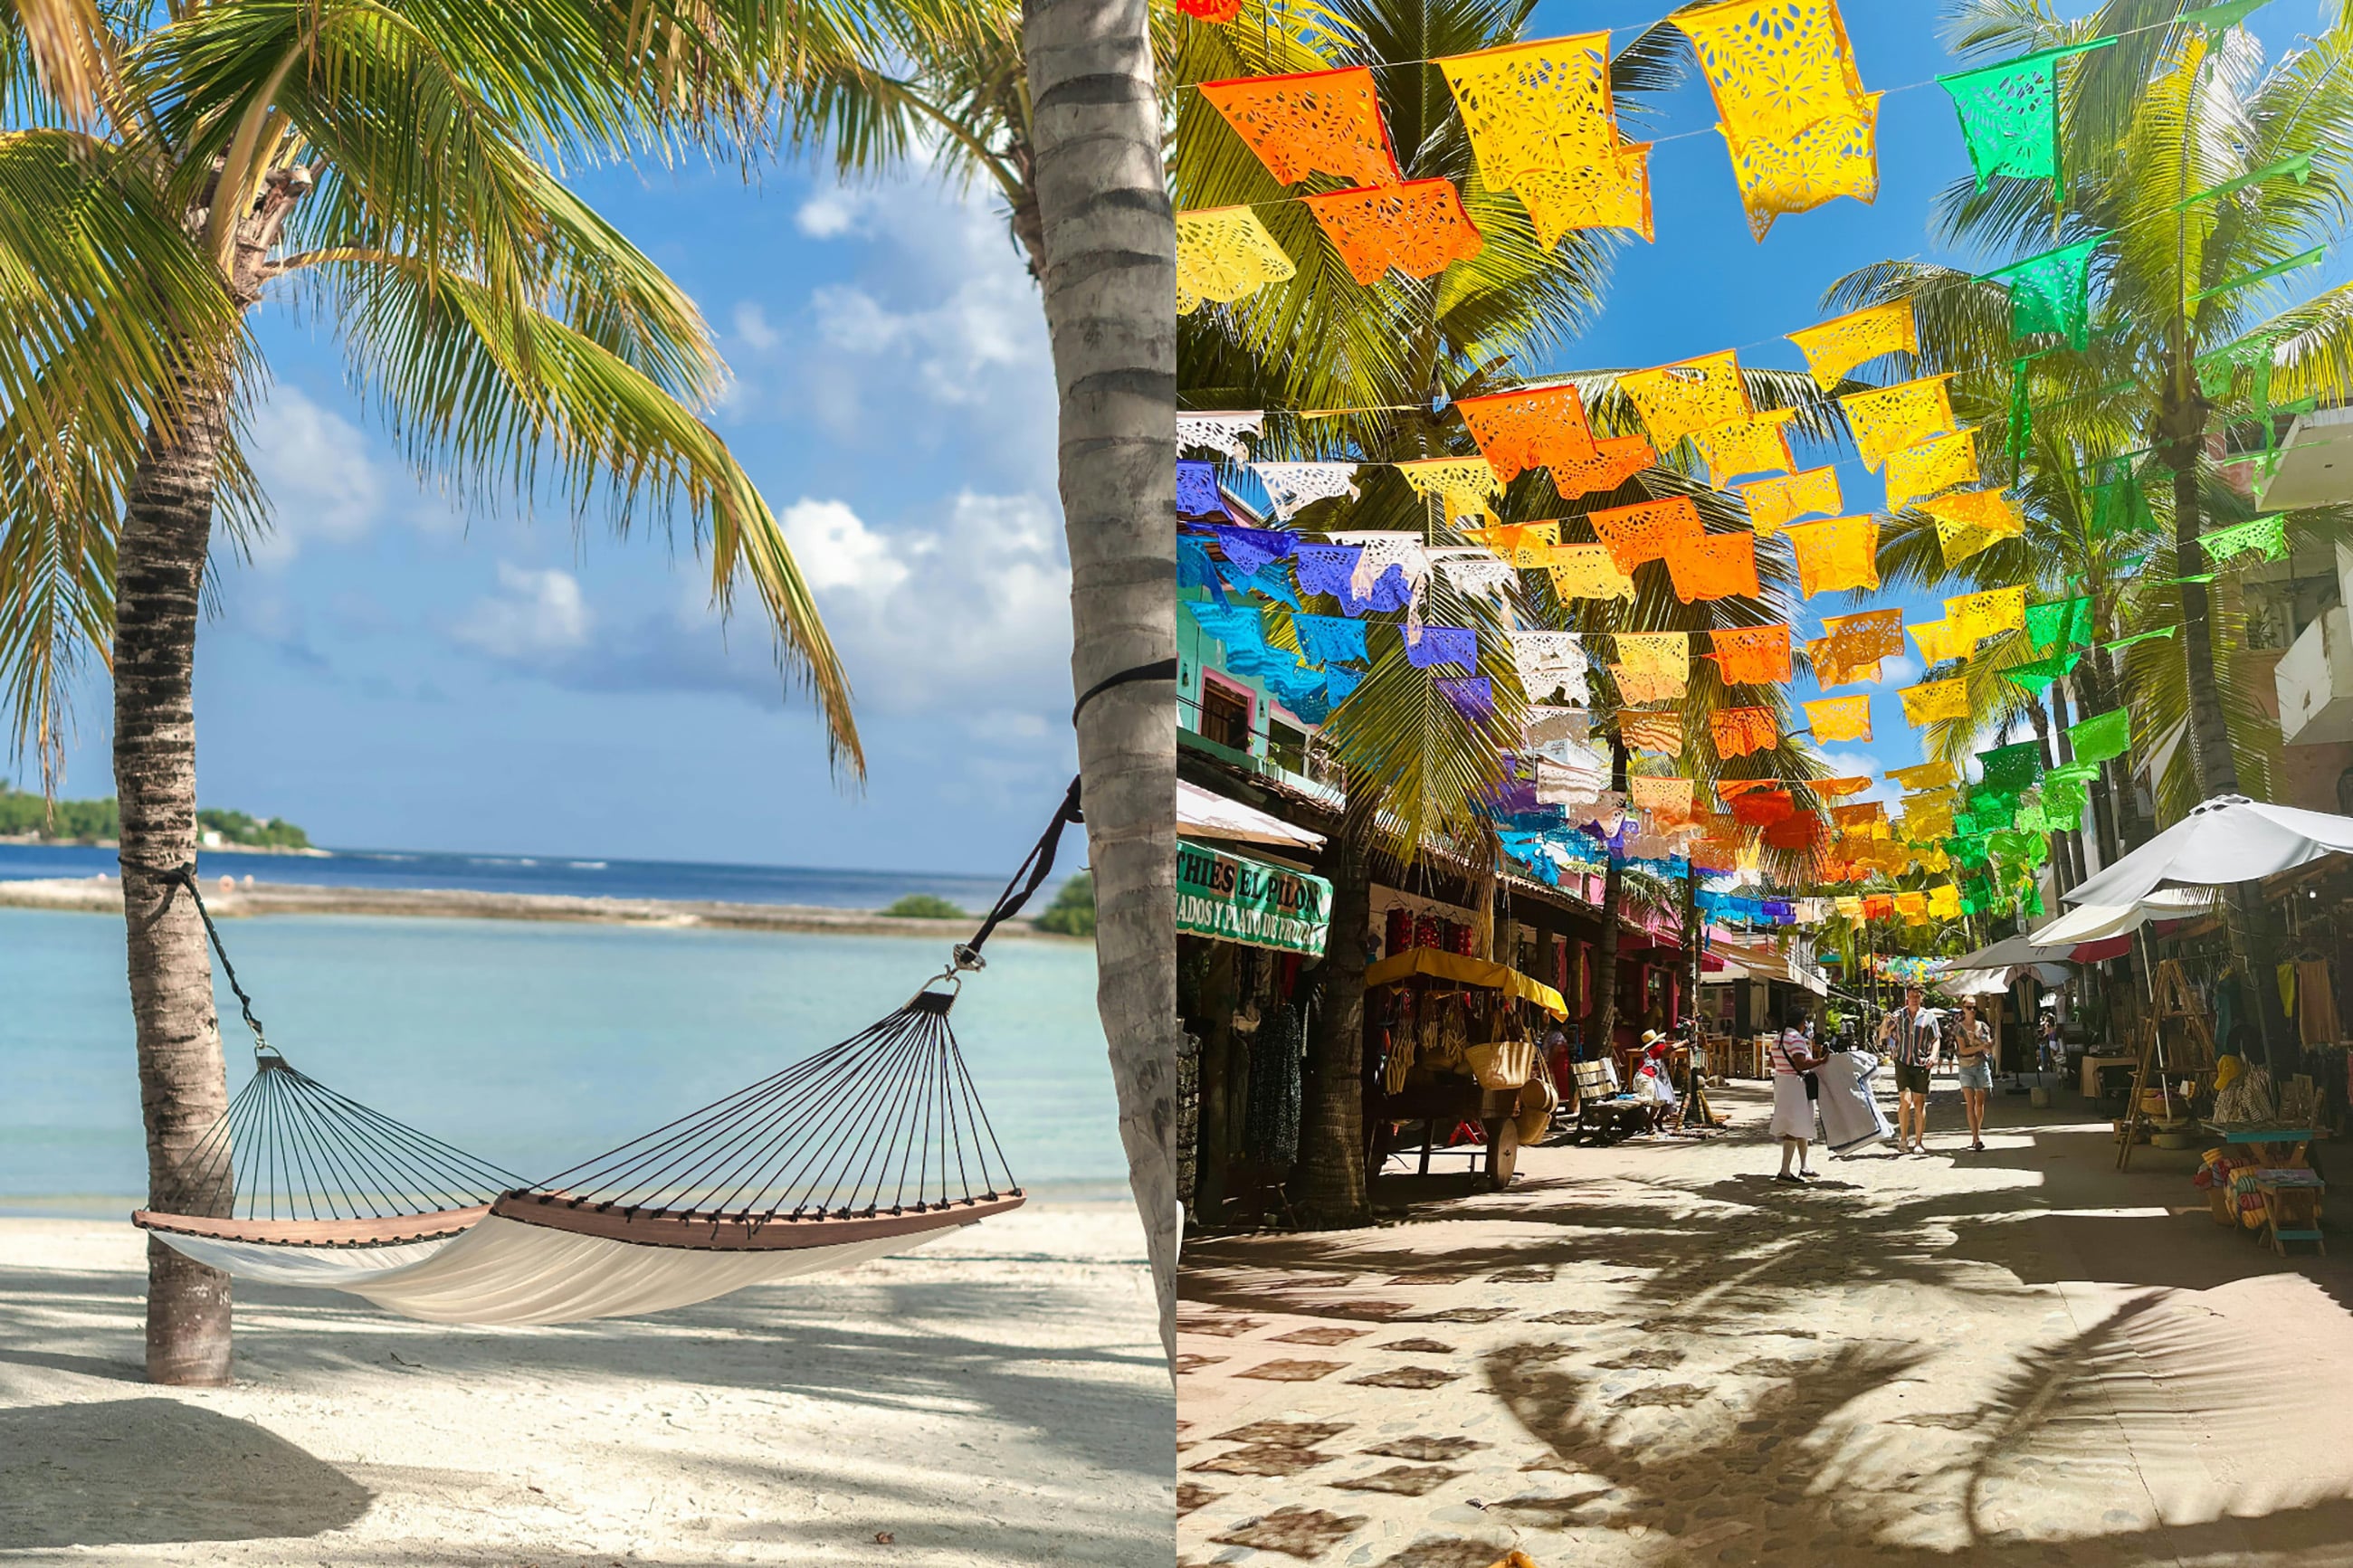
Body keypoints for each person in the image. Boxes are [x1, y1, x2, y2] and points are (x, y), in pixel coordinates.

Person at [1878, 984, 1940, 1154]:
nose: (1914, 999)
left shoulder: (1929, 1017)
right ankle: (1903, 1139)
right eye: (1911, 995)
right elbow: (1882, 1036)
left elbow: (1935, 1039)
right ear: (1907, 997)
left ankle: (1918, 1142)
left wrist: (1933, 1056)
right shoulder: (1898, 1016)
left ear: (1921, 998)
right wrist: (1885, 1023)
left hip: (1921, 1063)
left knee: (1919, 1104)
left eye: (1917, 996)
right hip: (1903, 1062)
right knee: (1905, 1101)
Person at [1768, 1005, 1824, 1182]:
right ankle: (1784, 1171)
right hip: (1795, 1086)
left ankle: (1804, 1166)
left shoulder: (1778, 1038)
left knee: (1800, 1125)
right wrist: (1821, 1061)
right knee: (1794, 1127)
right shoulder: (1796, 1039)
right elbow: (1801, 1064)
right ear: (1800, 1022)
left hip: (1782, 1084)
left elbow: (1772, 1062)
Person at [1951, 997, 1995, 1151]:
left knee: (1980, 1103)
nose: (1972, 1011)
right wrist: (1981, 1046)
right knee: (1970, 1103)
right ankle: (1976, 1138)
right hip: (1965, 1067)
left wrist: (1979, 1042)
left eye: (1974, 1008)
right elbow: (1963, 1050)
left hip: (1981, 1065)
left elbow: (1989, 1048)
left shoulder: (1983, 1026)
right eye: (1969, 1007)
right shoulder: (1959, 1028)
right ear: (1963, 1008)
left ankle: (1976, 1133)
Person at [1634, 1030, 1680, 1132]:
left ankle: (1656, 1120)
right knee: (1655, 1100)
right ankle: (1648, 1121)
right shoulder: (1657, 1048)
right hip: (1648, 1077)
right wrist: (1682, 1043)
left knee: (1666, 1099)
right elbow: (1669, 1050)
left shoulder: (1654, 1048)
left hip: (1654, 1076)